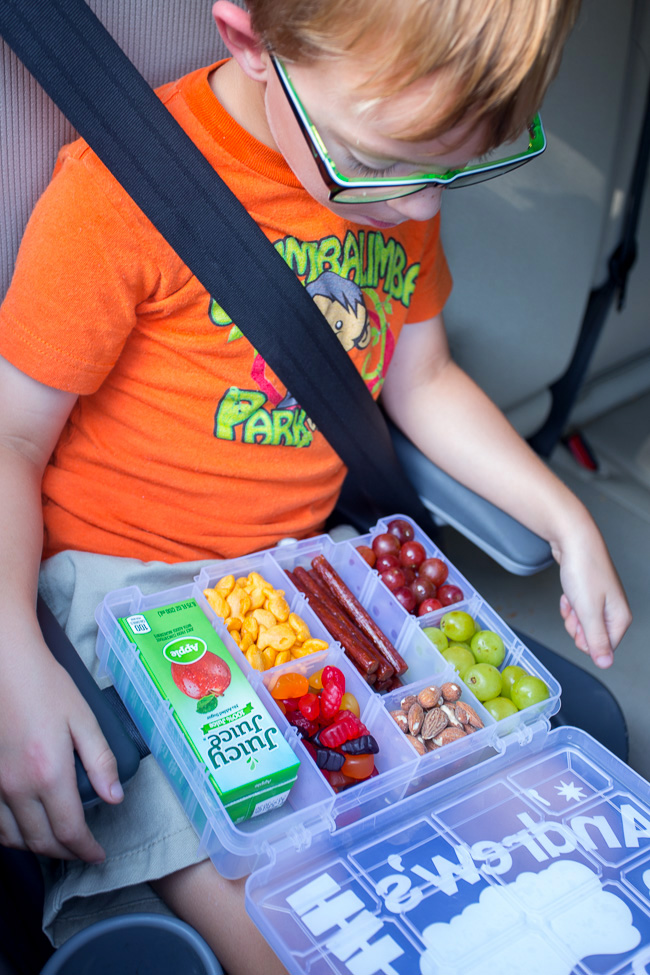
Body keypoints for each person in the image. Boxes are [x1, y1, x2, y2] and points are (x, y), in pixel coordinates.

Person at [0, 0, 632, 970]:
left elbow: (419, 379)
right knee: (299, 925)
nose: (419, 209)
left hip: (314, 573)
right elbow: (9, 437)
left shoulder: (392, 172)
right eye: (378, 163)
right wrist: (12, 657)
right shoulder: (117, 198)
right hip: (134, 591)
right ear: (251, 41)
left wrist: (562, 517)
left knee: (516, 853)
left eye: (452, 171)